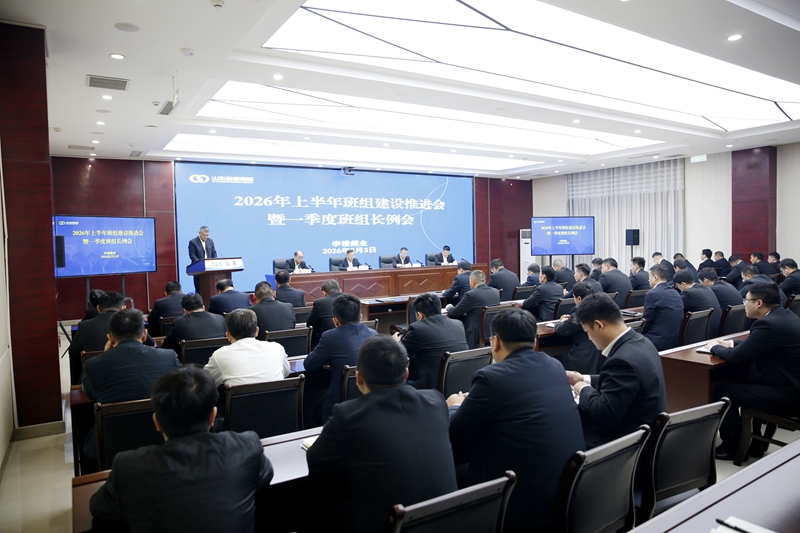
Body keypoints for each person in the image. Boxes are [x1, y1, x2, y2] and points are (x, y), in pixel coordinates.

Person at [448, 308, 585, 532]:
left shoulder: (491, 378)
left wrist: (454, 406)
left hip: (516, 505)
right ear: (534, 341)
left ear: (495, 342)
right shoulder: (554, 366)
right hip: (566, 494)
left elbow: (457, 433)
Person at [89, 366, 273, 532]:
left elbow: (98, 508)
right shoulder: (246, 447)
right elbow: (263, 478)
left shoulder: (128, 468)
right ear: (213, 416)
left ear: (156, 421)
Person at [306, 336, 457, 533]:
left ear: (359, 378)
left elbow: (315, 462)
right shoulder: (435, 401)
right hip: (450, 524)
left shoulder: (347, 415)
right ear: (406, 373)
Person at [706, 283, 800, 460]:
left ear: (759, 303)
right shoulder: (784, 315)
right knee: (743, 381)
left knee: (723, 393)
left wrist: (713, 347)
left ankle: (732, 447)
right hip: (791, 385)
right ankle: (754, 444)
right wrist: (731, 343)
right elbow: (759, 344)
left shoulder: (768, 324)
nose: (744, 304)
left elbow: (734, 357)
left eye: (746, 300)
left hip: (787, 395)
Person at [567, 293, 667, 448]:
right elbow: (620, 382)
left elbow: (604, 415)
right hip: (645, 432)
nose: (589, 338)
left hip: (625, 444)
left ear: (599, 326)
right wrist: (583, 378)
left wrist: (582, 388)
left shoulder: (622, 361)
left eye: (586, 331)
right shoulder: (643, 342)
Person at [81, 308, 180, 460]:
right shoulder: (168, 356)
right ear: (144, 335)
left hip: (113, 446)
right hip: (164, 436)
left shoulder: (93, 365)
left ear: (110, 338)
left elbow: (89, 393)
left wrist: (105, 355)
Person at [304, 293, 378, 423]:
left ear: (335, 321)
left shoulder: (329, 337)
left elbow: (309, 365)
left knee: (314, 410)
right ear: (360, 317)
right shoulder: (374, 335)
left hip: (339, 406)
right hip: (371, 403)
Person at [69, 291, 155, 385]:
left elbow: (73, 352)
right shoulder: (133, 323)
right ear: (123, 308)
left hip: (99, 377)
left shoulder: (84, 326)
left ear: (98, 308)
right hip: (136, 373)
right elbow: (151, 344)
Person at [394, 293, 468, 389]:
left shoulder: (418, 329)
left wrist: (395, 341)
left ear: (420, 315)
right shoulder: (458, 324)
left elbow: (398, 354)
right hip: (461, 382)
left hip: (433, 387)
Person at [204, 309, 289, 387]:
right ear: (256, 331)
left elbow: (206, 383)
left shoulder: (220, 355)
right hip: (278, 399)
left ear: (228, 335)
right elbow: (286, 372)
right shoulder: (277, 348)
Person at [554, 281, 604, 374]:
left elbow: (562, 330)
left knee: (554, 360)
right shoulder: (599, 306)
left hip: (583, 354)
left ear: (579, 298)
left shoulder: (580, 309)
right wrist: (571, 319)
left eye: (574, 297)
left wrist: (561, 323)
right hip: (599, 353)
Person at [446, 270, 501, 349]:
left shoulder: (471, 294)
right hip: (491, 331)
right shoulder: (496, 292)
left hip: (474, 334)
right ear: (484, 280)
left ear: (472, 281)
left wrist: (449, 307)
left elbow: (455, 312)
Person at [162, 293, 227, 354]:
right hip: (219, 360)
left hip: (191, 362)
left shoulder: (179, 323)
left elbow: (167, 345)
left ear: (185, 311)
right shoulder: (220, 319)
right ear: (203, 308)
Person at [641, 264, 684, 351]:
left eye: (649, 277)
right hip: (674, 339)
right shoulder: (675, 292)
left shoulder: (652, 294)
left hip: (658, 340)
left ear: (655, 277)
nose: (648, 280)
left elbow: (646, 321)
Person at [674, 269, 722, 338]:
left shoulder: (688, 294)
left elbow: (675, 308)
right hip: (716, 330)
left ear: (683, 284)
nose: (678, 288)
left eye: (677, 286)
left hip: (704, 334)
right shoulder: (706, 288)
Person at [306, 279, 343, 348]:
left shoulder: (319, 303)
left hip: (327, 341)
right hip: (350, 336)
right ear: (340, 290)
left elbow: (310, 324)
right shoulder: (351, 299)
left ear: (324, 293)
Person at [188, 226, 217, 292]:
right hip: (198, 269)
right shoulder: (193, 242)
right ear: (199, 233)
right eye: (204, 235)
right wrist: (200, 264)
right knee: (199, 289)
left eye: (207, 235)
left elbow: (214, 253)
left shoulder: (210, 241)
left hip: (209, 268)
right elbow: (192, 255)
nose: (205, 237)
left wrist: (214, 261)